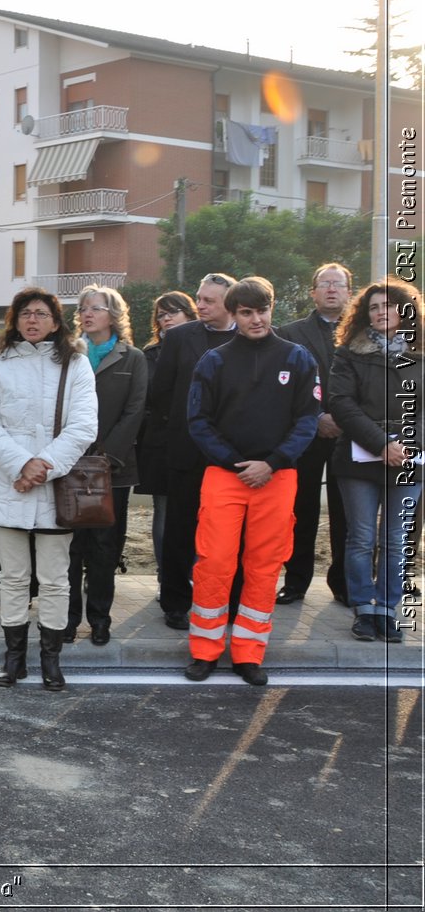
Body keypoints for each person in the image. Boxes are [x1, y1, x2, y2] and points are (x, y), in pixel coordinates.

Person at [184, 277, 320, 686]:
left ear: (271, 309)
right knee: (214, 563)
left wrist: (273, 462)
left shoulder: (298, 358)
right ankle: (205, 650)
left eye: (262, 310)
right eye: (247, 312)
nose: (256, 319)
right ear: (234, 314)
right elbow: (198, 421)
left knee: (264, 567)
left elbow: (308, 420)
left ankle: (248, 652)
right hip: (225, 476)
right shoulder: (214, 361)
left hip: (278, 479)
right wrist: (236, 462)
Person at [0, 289, 97, 690]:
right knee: (12, 576)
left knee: (55, 578)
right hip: (6, 482)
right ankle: (13, 659)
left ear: (56, 322)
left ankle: (50, 658)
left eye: (41, 314)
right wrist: (20, 464)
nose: (32, 320)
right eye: (25, 313)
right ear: (14, 320)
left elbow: (84, 426)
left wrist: (40, 468)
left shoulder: (76, 365)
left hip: (54, 486)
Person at [327, 277, 422, 643]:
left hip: (409, 458)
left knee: (396, 540)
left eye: (388, 305)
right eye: (374, 307)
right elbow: (341, 404)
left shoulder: (420, 354)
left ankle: (387, 610)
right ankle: (364, 609)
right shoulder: (349, 352)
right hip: (359, 458)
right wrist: (382, 443)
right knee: (362, 537)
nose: (382, 312)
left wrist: (407, 446)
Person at [146, 272, 237, 630]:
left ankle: (219, 598)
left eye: (209, 300)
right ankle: (174, 602)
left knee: (223, 535)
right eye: (199, 298)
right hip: (184, 450)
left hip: (231, 456)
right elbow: (161, 393)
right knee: (179, 531)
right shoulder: (181, 337)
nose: (199, 305)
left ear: (229, 304)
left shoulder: (245, 335)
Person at [65, 285, 148, 646]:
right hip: (70, 463)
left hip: (114, 468)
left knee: (105, 548)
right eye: (83, 308)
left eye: (95, 308)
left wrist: (107, 455)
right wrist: (69, 450)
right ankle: (66, 621)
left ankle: (99, 620)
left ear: (113, 314)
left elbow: (135, 410)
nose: (87, 313)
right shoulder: (67, 354)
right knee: (70, 548)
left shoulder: (132, 358)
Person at [275, 262, 353, 605]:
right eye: (325, 284)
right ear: (313, 292)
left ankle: (345, 583)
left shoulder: (363, 334)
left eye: (338, 284)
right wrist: (317, 416)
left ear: (350, 292)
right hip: (306, 434)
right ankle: (295, 582)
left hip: (353, 436)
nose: (331, 289)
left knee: (348, 513)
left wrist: (346, 419)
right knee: (300, 510)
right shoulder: (290, 333)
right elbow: (287, 385)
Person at [134, 291, 197, 578]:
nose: (167, 318)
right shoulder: (149, 356)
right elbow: (146, 400)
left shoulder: (205, 348)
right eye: (161, 314)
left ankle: (198, 574)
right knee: (165, 511)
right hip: (161, 442)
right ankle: (166, 575)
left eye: (174, 311)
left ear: (190, 313)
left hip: (198, 441)